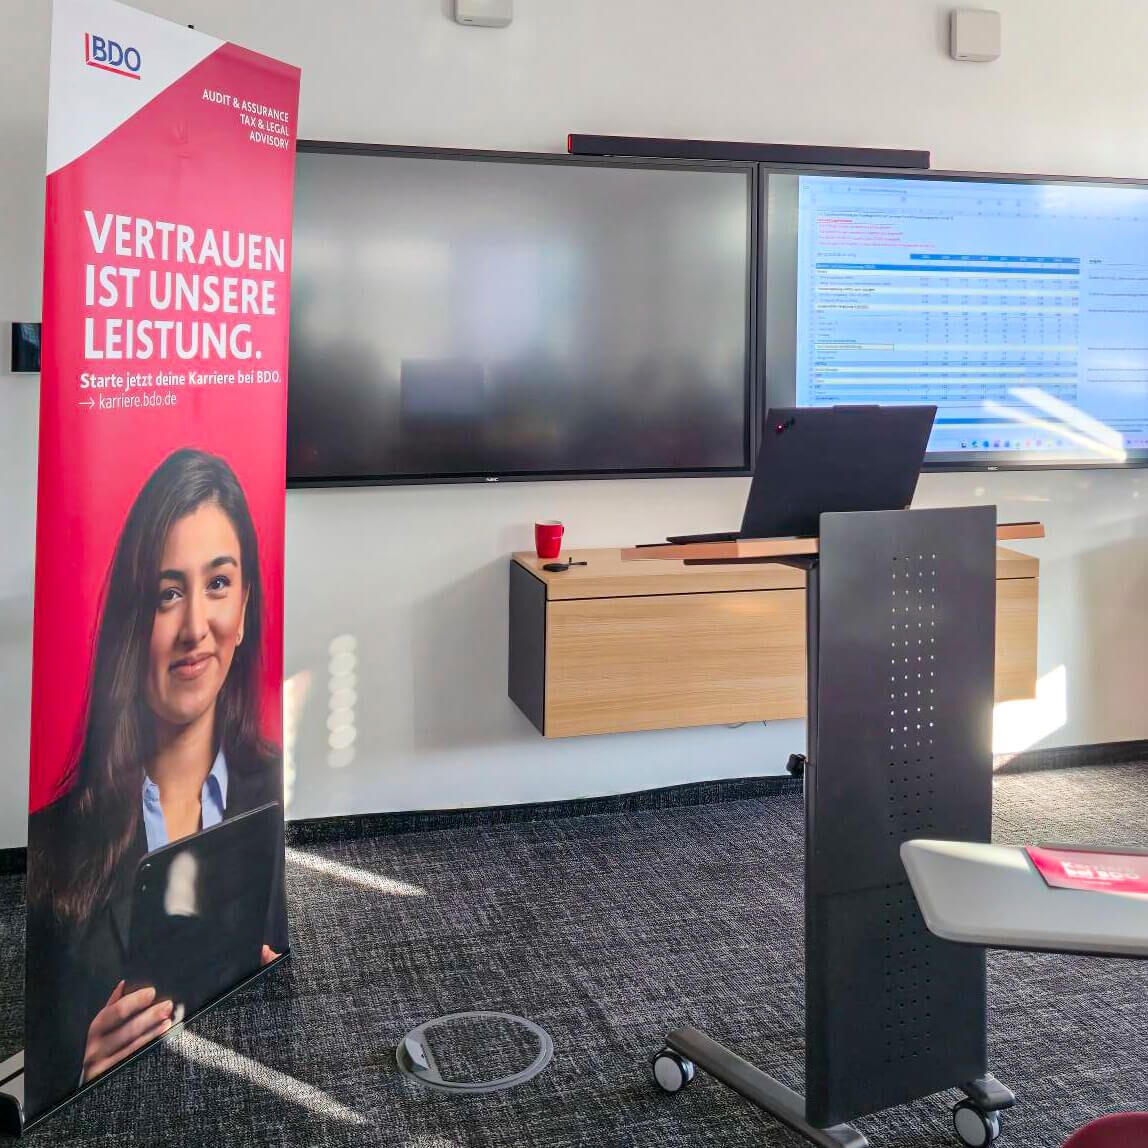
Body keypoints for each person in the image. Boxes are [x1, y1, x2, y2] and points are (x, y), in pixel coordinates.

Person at [26, 448, 287, 1113]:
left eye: (219, 583)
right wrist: (79, 1075)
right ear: (133, 620)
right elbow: (45, 1074)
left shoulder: (273, 789)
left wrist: (266, 987)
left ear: (246, 605)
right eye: (169, 594)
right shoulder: (54, 845)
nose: (195, 628)